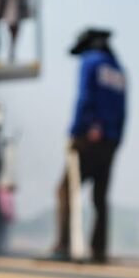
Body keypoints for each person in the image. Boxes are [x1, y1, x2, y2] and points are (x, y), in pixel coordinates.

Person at [52, 28, 127, 264]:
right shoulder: (119, 70)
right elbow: (123, 111)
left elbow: (85, 98)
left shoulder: (91, 62)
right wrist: (115, 138)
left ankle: (64, 246)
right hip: (111, 141)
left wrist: (77, 131)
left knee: (66, 190)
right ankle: (99, 250)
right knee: (100, 197)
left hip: (88, 137)